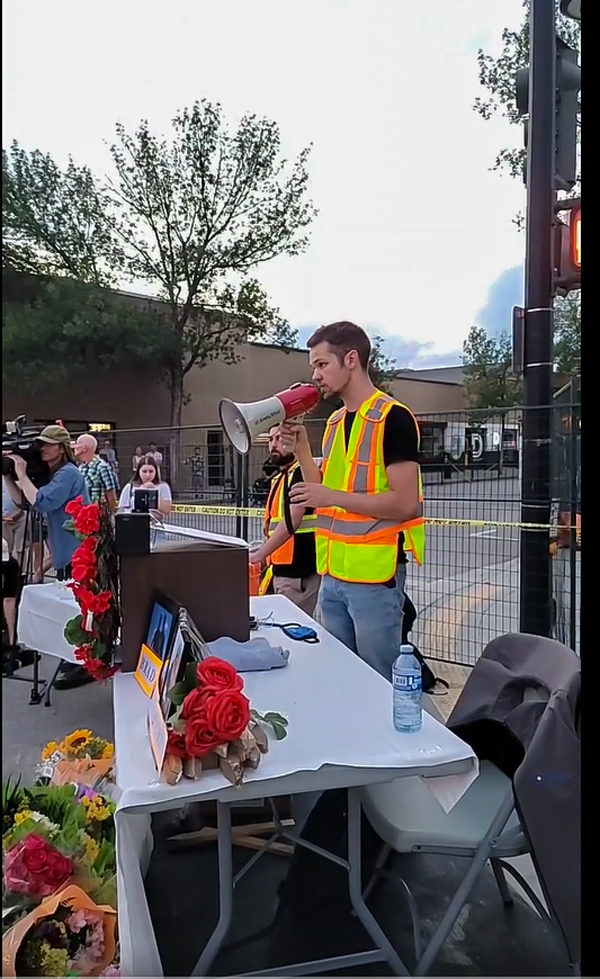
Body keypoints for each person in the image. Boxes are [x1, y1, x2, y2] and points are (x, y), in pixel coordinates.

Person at [286, 321, 425, 682]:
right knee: (341, 678)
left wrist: (328, 496)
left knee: (379, 680)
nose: (314, 375)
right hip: (332, 573)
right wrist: (301, 447)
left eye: (321, 364)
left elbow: (406, 503)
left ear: (351, 359)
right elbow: (326, 492)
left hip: (374, 578)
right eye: (313, 366)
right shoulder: (334, 423)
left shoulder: (393, 418)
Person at [4, 425, 92, 689]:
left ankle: (82, 662)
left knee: (78, 608)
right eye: (41, 444)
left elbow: (42, 502)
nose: (42, 448)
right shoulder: (55, 474)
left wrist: (21, 472)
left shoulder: (67, 473)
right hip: (67, 552)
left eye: (48, 444)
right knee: (72, 608)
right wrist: (9, 474)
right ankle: (76, 657)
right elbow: (25, 502)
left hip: (79, 552)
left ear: (62, 448)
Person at [249, 426, 319, 615]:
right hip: (282, 569)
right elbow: (276, 525)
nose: (273, 444)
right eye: (271, 439)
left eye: (279, 438)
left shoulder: (300, 474)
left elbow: (292, 520)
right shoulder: (282, 477)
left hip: (298, 573)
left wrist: (259, 555)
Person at [74, 434, 119, 512]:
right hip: (83, 516)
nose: (74, 447)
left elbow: (111, 495)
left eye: (77, 444)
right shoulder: (80, 467)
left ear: (84, 448)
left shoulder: (102, 467)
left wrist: (112, 516)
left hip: (98, 516)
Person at [3, 474, 26, 565]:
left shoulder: (18, 475)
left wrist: (18, 513)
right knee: (5, 549)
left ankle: (21, 573)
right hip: (4, 519)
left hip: (21, 516)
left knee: (21, 548)